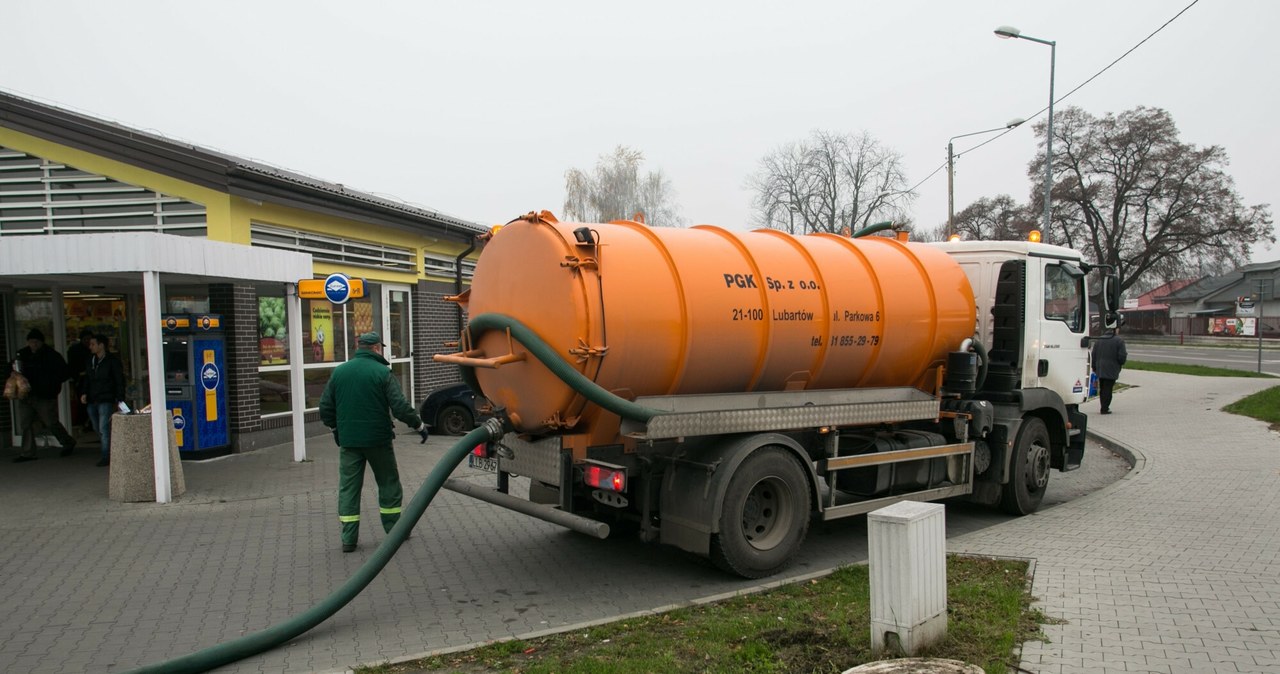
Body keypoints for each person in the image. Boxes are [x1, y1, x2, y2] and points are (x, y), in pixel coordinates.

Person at [319, 331, 430, 553]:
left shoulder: (340, 372)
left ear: (359, 347)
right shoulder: (383, 373)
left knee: (349, 488)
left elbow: (325, 407)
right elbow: (399, 407)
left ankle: (348, 538)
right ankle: (394, 531)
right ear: (377, 348)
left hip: (349, 441)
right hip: (378, 440)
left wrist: (335, 429)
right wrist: (418, 425)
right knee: (388, 483)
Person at [13, 329, 76, 462]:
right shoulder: (22, 354)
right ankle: (27, 452)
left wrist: (50, 384)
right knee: (25, 423)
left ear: (41, 342)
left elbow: (64, 373)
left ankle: (67, 441)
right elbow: (11, 367)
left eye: (36, 342)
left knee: (50, 421)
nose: (33, 345)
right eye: (31, 342)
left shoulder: (51, 356)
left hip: (45, 395)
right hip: (26, 394)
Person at [79, 334, 126, 467]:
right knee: (96, 426)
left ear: (101, 345)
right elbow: (87, 378)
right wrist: (84, 392)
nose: (90, 347)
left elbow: (119, 379)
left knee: (103, 427)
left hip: (106, 397)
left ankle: (107, 455)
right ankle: (109, 449)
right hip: (92, 398)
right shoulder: (91, 360)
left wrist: (120, 397)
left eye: (93, 344)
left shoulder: (112, 361)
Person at [1091, 331, 1127, 415]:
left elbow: (1094, 354)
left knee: (1102, 388)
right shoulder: (1119, 341)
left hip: (1100, 368)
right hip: (1112, 368)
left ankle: (1103, 406)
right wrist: (1120, 363)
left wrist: (1094, 366)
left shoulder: (1099, 340)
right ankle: (1104, 408)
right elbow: (1122, 356)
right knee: (1108, 388)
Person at [67, 329, 94, 431]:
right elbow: (71, 366)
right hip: (80, 381)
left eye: (90, 339)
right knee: (83, 403)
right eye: (85, 339)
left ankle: (89, 423)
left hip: (93, 382)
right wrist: (77, 376)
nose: (88, 342)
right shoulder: (75, 350)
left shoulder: (94, 352)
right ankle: (84, 422)